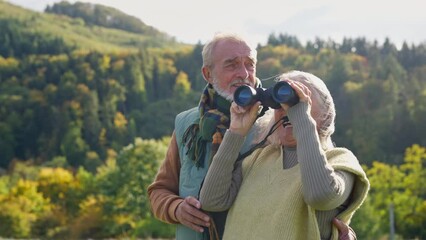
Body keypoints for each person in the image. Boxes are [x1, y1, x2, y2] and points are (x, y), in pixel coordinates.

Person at [147, 33, 359, 240]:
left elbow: (319, 171)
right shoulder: (188, 124)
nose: (243, 73)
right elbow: (160, 190)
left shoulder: (274, 121)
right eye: (231, 64)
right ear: (207, 74)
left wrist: (333, 229)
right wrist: (175, 208)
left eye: (250, 64)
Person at [199, 70, 370, 240]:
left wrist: (301, 117)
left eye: (298, 100)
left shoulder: (339, 160)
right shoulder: (258, 158)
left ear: (326, 114)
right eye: (280, 104)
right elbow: (212, 200)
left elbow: (319, 196)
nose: (287, 109)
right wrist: (236, 132)